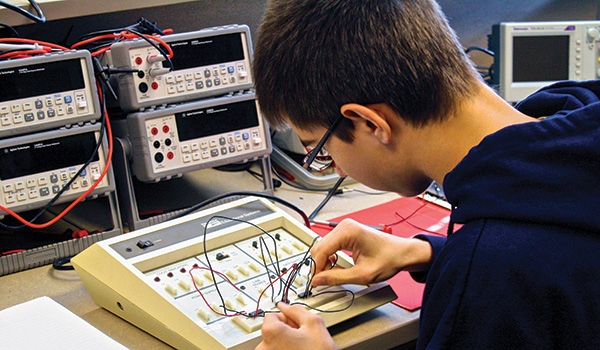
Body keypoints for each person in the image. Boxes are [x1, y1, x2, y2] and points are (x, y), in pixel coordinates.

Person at [252, 0, 600, 349]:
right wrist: (431, 254)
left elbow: (511, 271)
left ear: (371, 123)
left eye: (321, 149)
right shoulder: (577, 133)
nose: (336, 168)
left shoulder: (491, 281)